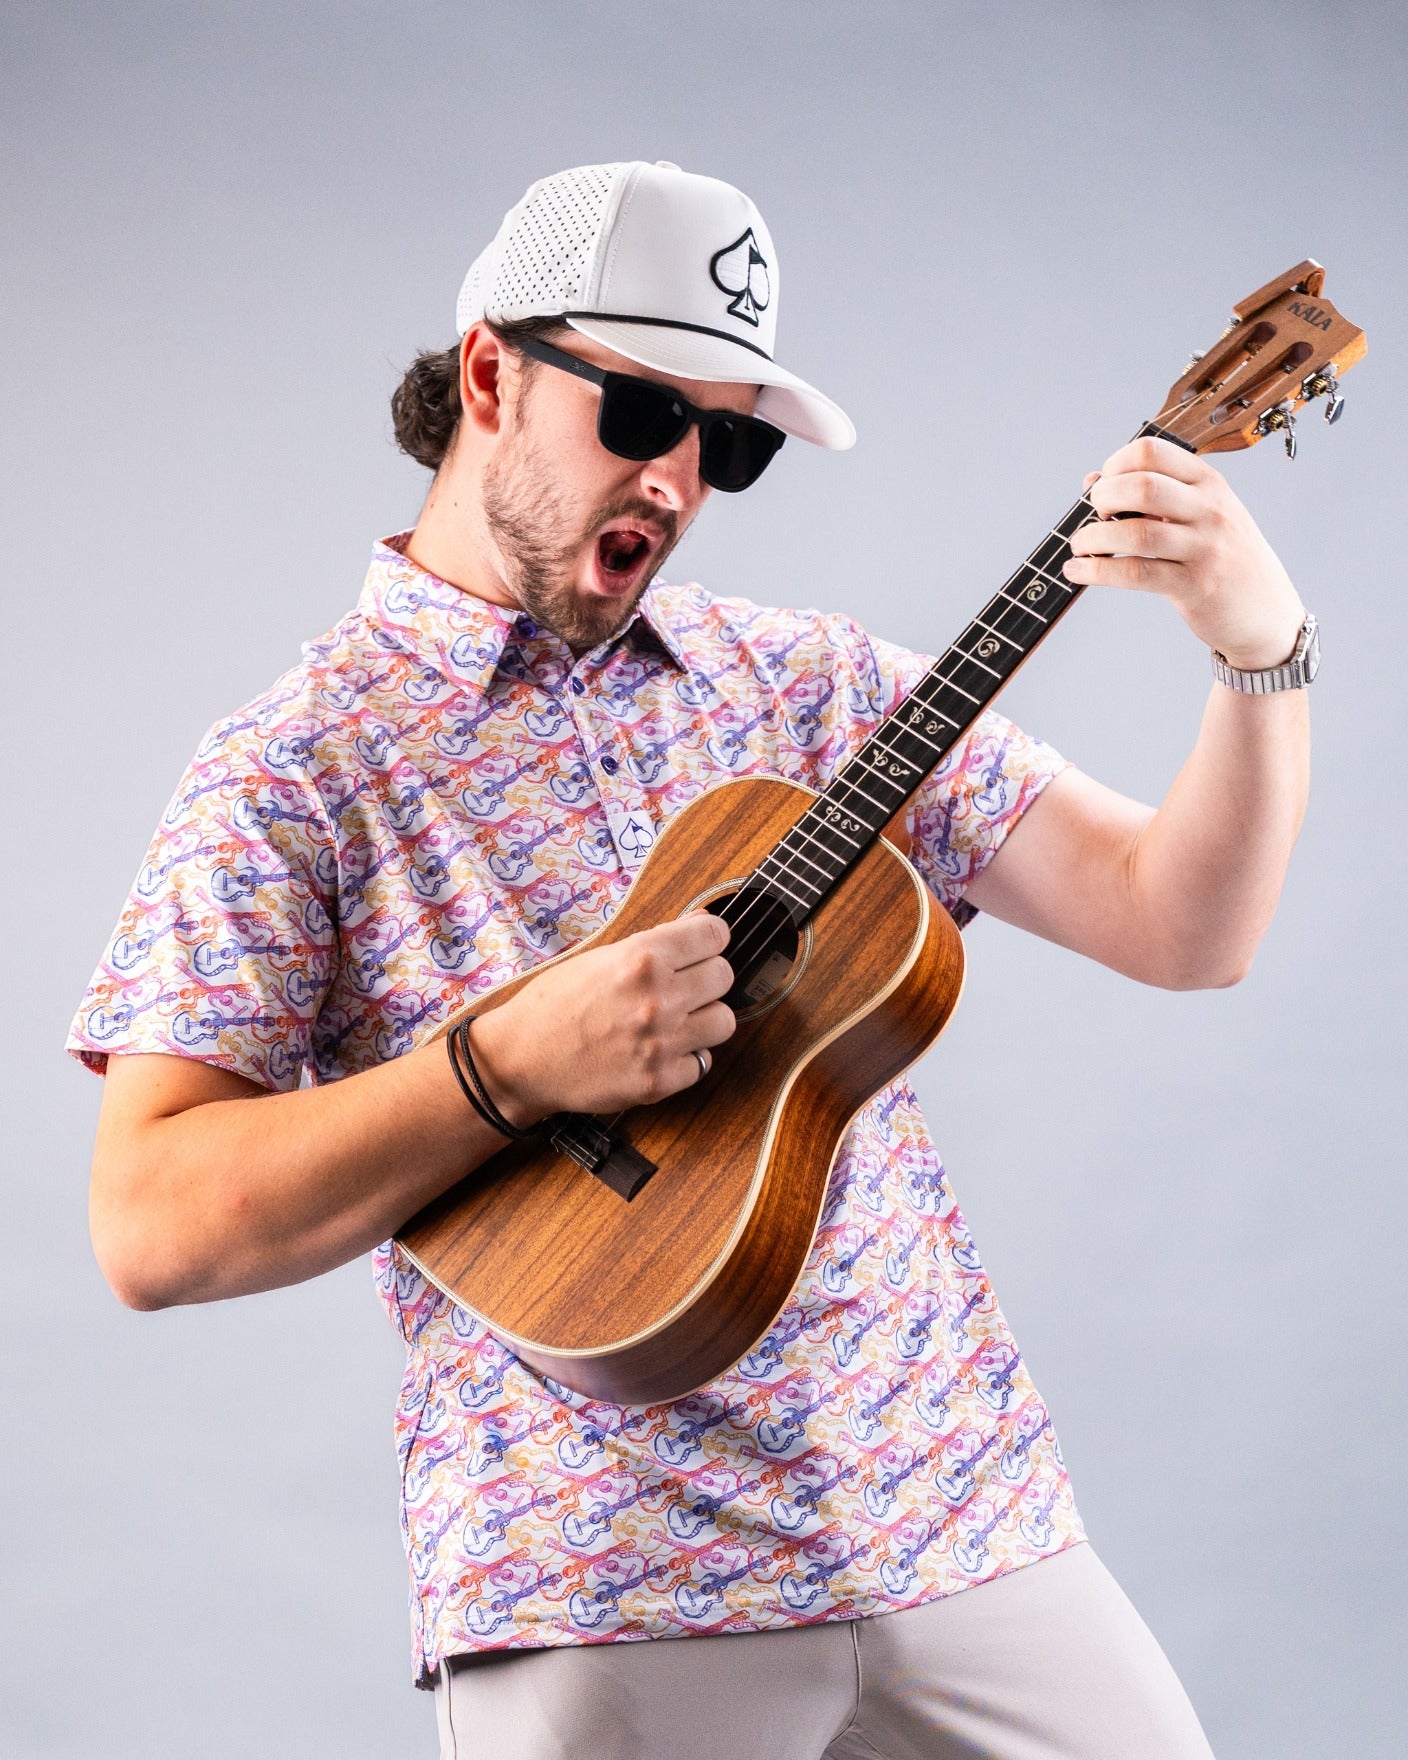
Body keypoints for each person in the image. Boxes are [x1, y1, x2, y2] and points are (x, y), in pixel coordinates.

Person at [70, 162, 1314, 1760]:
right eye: (646, 414)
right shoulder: (294, 769)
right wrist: (505, 1063)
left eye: (727, 444)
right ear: (491, 375)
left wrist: (1263, 656)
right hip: (600, 1591)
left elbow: (1182, 923)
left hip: (965, 1530)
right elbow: (147, 1224)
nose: (679, 477)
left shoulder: (804, 685)